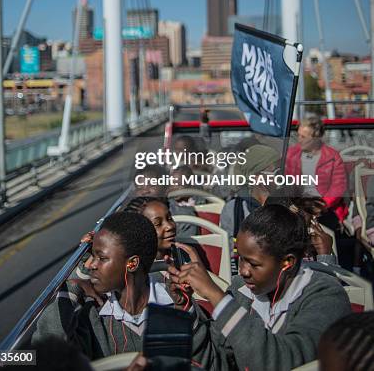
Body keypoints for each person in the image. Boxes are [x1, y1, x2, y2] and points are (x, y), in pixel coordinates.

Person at [169, 204, 351, 371]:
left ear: (288, 262)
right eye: (240, 258)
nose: (243, 271)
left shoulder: (326, 296)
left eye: (254, 264)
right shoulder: (242, 291)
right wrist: (186, 309)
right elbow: (215, 362)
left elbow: (280, 362)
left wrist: (216, 296)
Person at [33, 212, 212, 368]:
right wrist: (73, 287)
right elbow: (48, 353)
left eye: (101, 258)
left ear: (132, 263)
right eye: (92, 256)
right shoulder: (92, 316)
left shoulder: (176, 302)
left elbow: (204, 362)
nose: (91, 266)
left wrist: (184, 310)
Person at [219, 144, 280, 273]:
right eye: (277, 172)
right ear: (256, 177)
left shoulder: (286, 205)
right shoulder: (234, 209)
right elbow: (229, 256)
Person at [285, 116, 348, 222]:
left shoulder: (332, 157)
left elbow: (338, 188)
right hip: (298, 204)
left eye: (303, 137)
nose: (299, 140)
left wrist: (320, 206)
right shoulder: (292, 154)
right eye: (298, 135)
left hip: (325, 207)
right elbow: (285, 182)